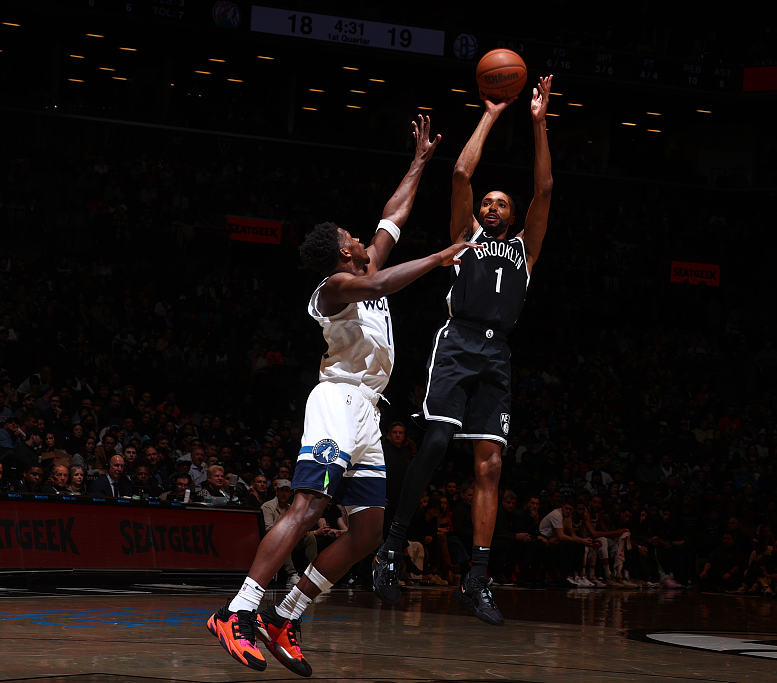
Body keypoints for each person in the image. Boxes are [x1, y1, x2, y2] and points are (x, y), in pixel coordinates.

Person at [207, 117, 469, 676]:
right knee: (308, 507)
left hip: (369, 411)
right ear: (342, 251)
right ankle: (238, 611)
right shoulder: (334, 287)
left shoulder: (366, 261)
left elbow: (393, 216)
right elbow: (376, 284)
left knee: (369, 530)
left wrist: (420, 160)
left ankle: (287, 615)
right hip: (337, 401)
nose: (363, 236)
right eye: (355, 236)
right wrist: (440, 258)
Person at [375, 75, 555, 628]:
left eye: (503, 202)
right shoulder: (465, 238)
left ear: (514, 212)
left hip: (498, 355)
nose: (494, 206)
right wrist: (494, 112)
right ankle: (391, 549)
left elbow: (545, 190)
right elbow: (459, 173)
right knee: (434, 441)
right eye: (488, 203)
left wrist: (537, 121)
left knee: (491, 465)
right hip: (458, 342)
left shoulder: (525, 249)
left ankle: (476, 579)